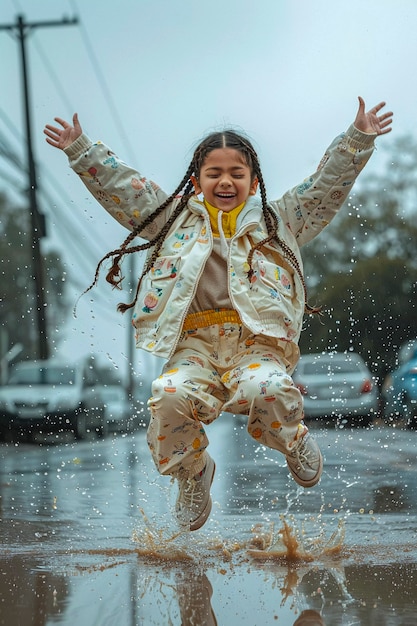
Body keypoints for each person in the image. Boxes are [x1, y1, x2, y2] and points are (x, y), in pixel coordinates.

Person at [44, 98, 392, 531]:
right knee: (168, 396)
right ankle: (193, 475)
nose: (225, 181)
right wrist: (81, 150)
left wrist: (357, 139)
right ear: (197, 180)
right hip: (195, 347)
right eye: (214, 173)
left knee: (270, 388)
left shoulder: (278, 221)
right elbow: (127, 189)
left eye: (236, 173)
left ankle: (294, 440)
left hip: (256, 345)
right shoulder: (172, 220)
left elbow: (323, 187)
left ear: (252, 180)